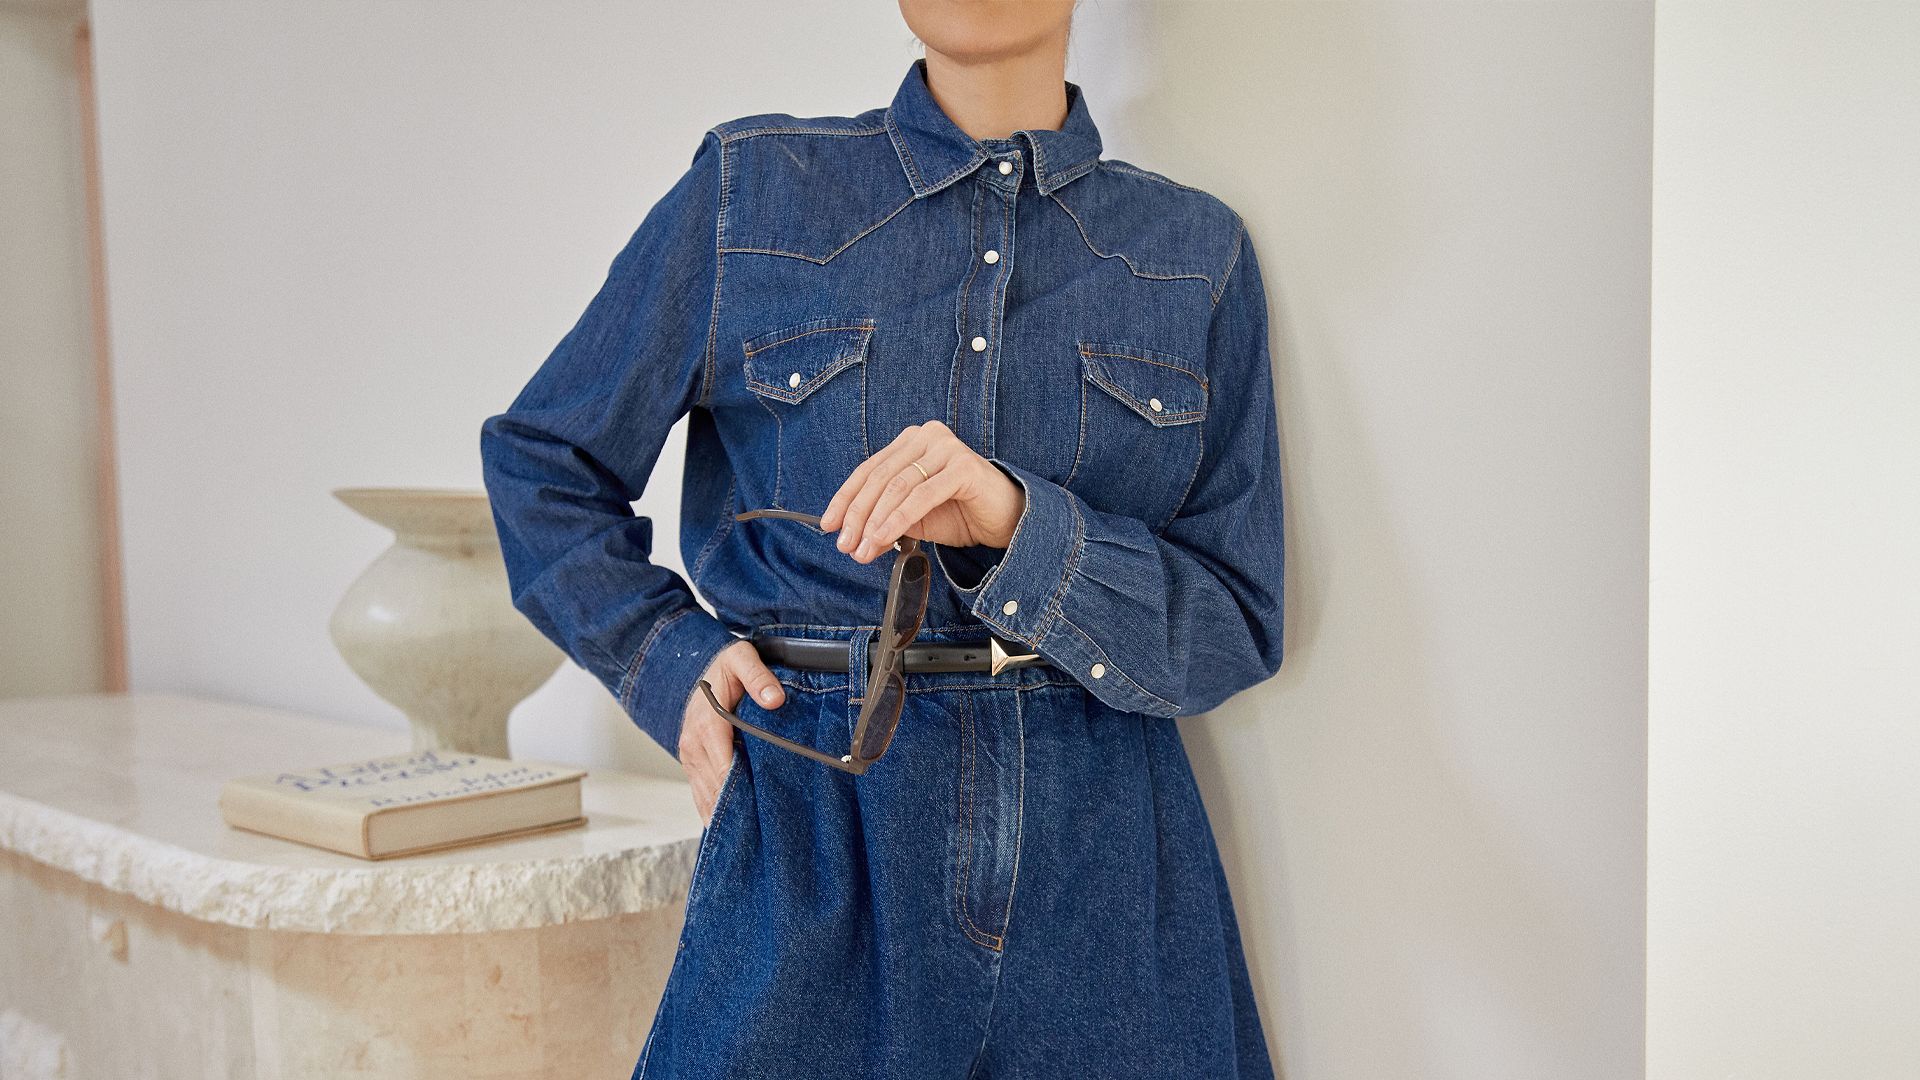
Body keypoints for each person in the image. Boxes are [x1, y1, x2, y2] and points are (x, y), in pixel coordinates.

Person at [480, 3, 1285, 1076]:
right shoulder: (753, 194)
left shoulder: (1194, 256)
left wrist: (1014, 523)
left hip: (1102, 848)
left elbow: (1235, 616)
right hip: (819, 808)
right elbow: (543, 462)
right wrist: (668, 662)